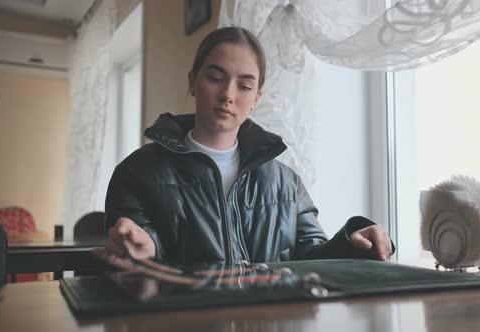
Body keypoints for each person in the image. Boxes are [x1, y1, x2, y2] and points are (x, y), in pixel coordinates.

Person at [103, 26, 394, 265]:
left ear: (257, 97)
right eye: (215, 78)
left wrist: (352, 242)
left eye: (244, 86)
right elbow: (138, 261)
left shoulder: (286, 184)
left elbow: (311, 259)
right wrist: (144, 252)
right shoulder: (137, 173)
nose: (228, 94)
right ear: (193, 82)